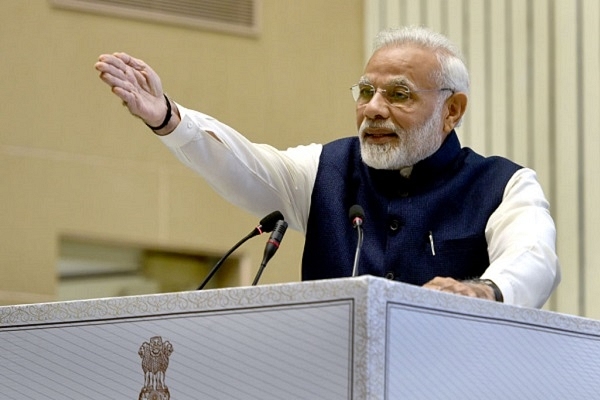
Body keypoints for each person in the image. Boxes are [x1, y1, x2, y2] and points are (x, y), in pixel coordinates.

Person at [95, 26, 560, 308]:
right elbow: (243, 164)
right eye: (364, 92)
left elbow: (534, 258)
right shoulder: (326, 169)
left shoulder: (503, 185)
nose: (373, 109)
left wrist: (484, 291)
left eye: (398, 94)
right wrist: (169, 119)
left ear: (452, 110)